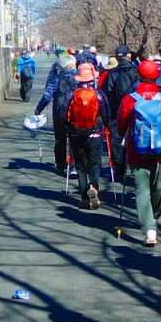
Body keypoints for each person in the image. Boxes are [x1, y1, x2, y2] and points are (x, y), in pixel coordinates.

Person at [115, 59, 161, 246]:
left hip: (137, 152)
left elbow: (121, 127)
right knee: (160, 187)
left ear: (139, 75)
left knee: (141, 190)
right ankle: (155, 214)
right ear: (156, 76)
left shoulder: (129, 100)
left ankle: (149, 230)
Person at [64, 60, 111, 209]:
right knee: (95, 164)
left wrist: (68, 128)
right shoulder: (98, 95)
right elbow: (107, 115)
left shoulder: (72, 94)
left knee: (80, 166)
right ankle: (94, 187)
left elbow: (62, 113)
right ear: (93, 78)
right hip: (95, 134)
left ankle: (84, 197)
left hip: (76, 134)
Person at [102, 44, 140, 181]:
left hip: (116, 111)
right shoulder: (136, 72)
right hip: (135, 111)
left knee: (117, 140)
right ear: (128, 55)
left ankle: (119, 170)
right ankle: (136, 168)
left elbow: (106, 94)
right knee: (135, 137)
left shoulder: (112, 73)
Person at [35, 52, 78, 175]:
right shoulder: (77, 78)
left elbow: (47, 95)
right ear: (71, 66)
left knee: (60, 140)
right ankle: (73, 167)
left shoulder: (56, 78)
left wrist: (39, 109)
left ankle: (61, 165)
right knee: (74, 139)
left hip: (59, 113)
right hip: (74, 114)